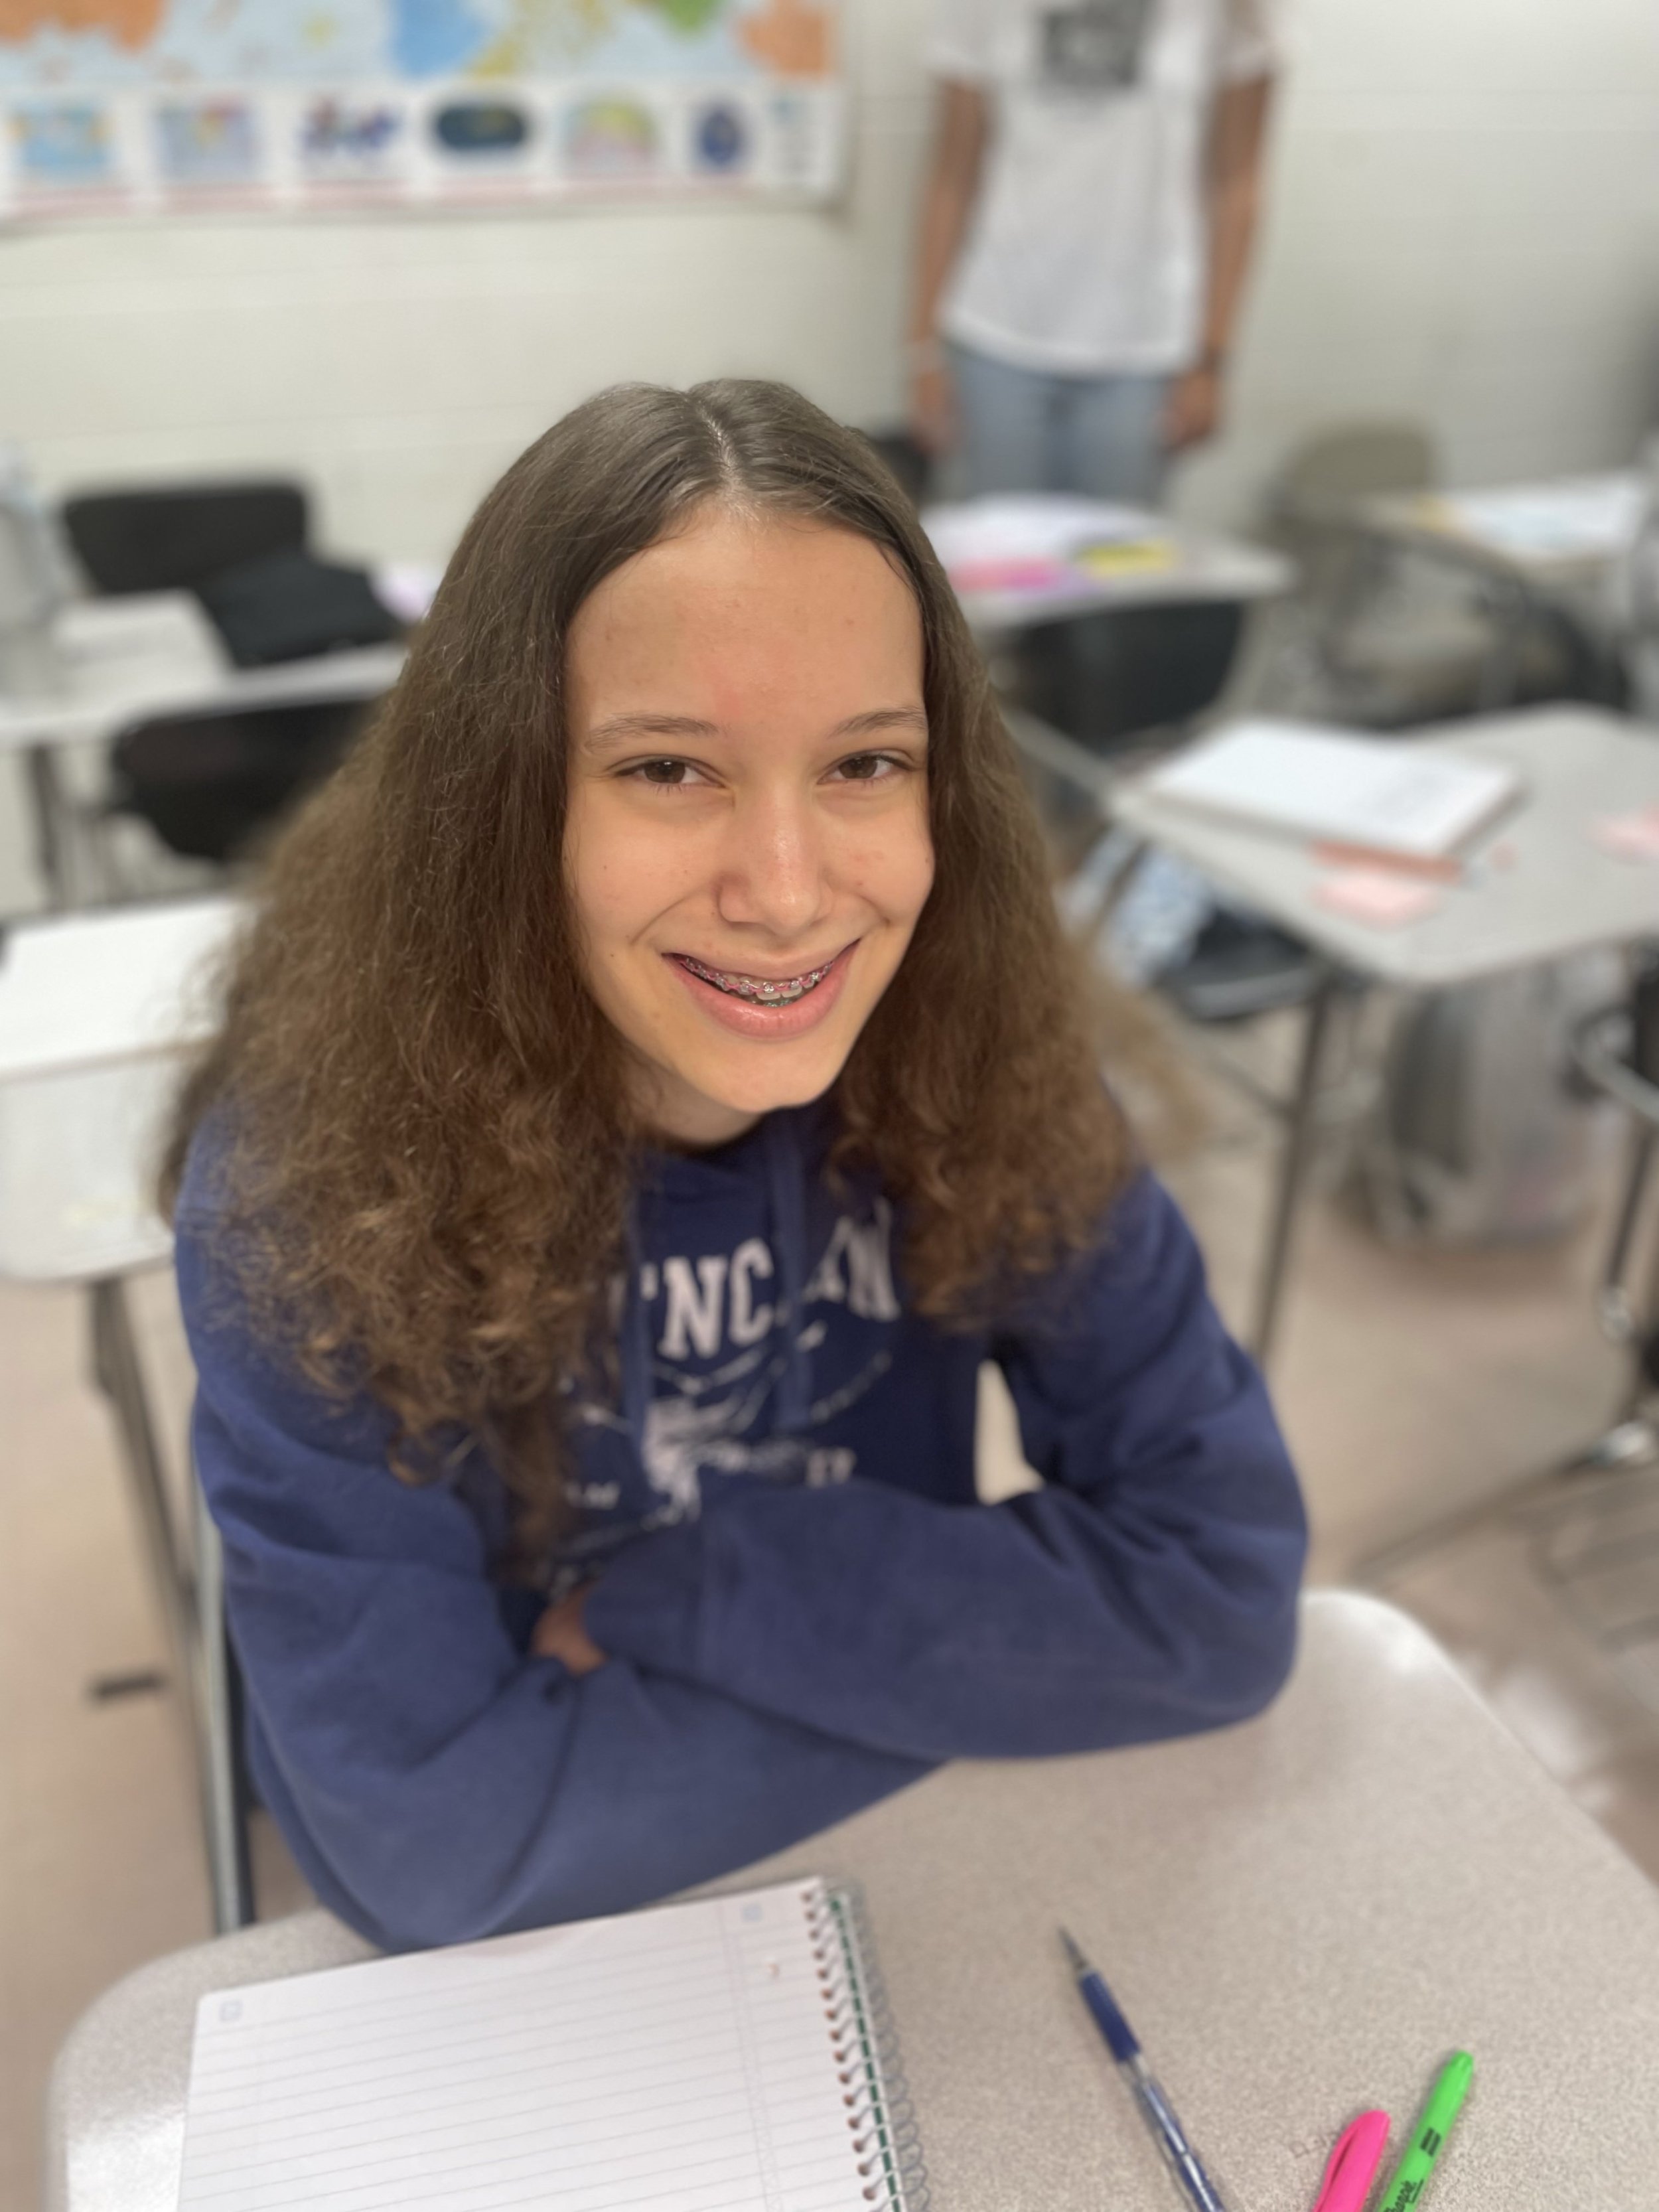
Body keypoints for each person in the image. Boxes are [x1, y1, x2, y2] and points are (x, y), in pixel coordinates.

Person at [165, 380, 1306, 1952]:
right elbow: (425, 1848)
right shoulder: (312, 1194)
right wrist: (1006, 1656)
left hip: (877, 1896)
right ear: (504, 805)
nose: (787, 893)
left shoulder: (987, 1066)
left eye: (863, 765)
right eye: (667, 770)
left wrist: (697, 1592)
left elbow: (1225, 1595)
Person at [909, 0, 1280, 500]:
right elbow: (952, 173)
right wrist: (922, 349)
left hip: (1145, 351)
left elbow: (1239, 181)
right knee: (1003, 565)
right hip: (997, 337)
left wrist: (1213, 359)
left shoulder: (1234, 12)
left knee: (1122, 566)